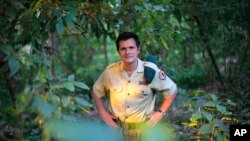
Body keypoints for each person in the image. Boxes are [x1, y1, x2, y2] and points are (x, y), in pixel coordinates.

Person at [92, 31, 177, 141]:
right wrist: (104, 114)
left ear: (138, 50)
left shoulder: (150, 71)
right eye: (123, 49)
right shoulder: (110, 72)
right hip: (117, 130)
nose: (127, 52)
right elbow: (96, 91)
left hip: (144, 130)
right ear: (119, 52)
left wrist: (160, 113)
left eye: (131, 47)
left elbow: (172, 90)